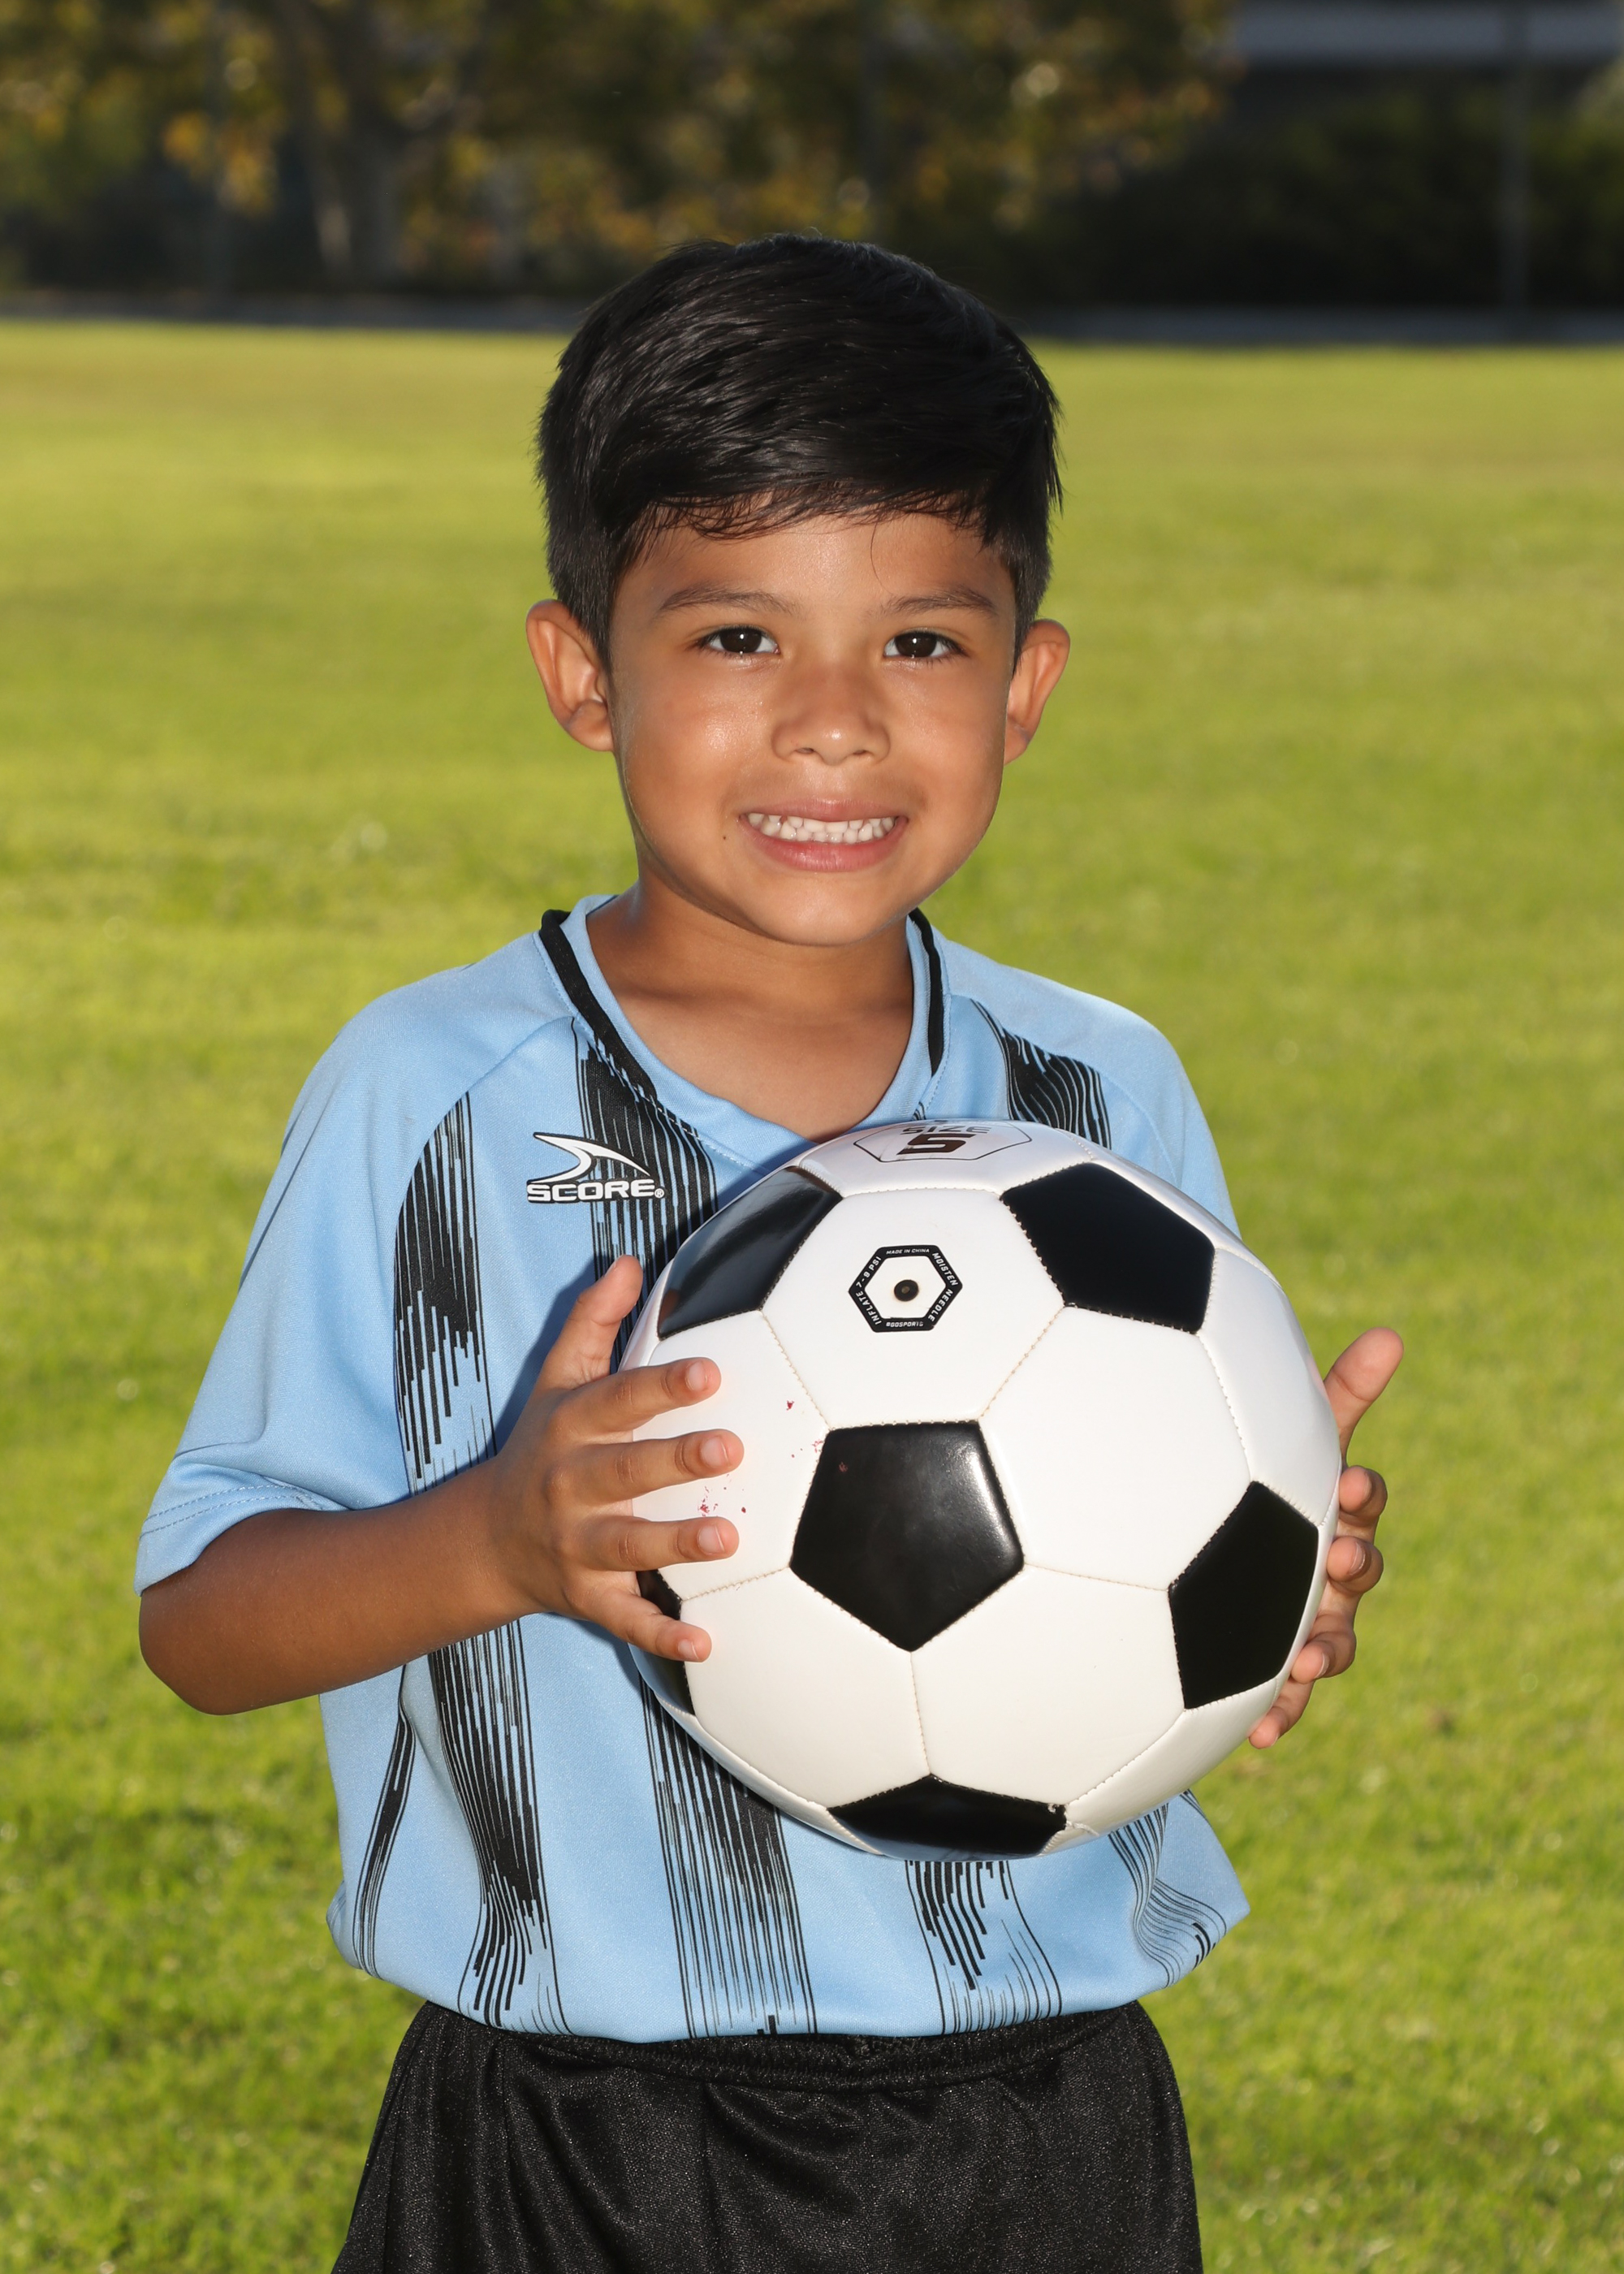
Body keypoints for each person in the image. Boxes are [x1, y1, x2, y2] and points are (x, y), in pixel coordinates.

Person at [137, 236, 1399, 2273]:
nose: (832, 725)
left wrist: (1276, 1571)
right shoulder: (432, 1093)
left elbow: (1162, 1523)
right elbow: (203, 1620)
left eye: (919, 641)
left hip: (1044, 2128)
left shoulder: (1098, 1090)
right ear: (583, 673)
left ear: (1024, 684)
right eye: (737, 635)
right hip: (581, 2142)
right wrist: (493, 1541)